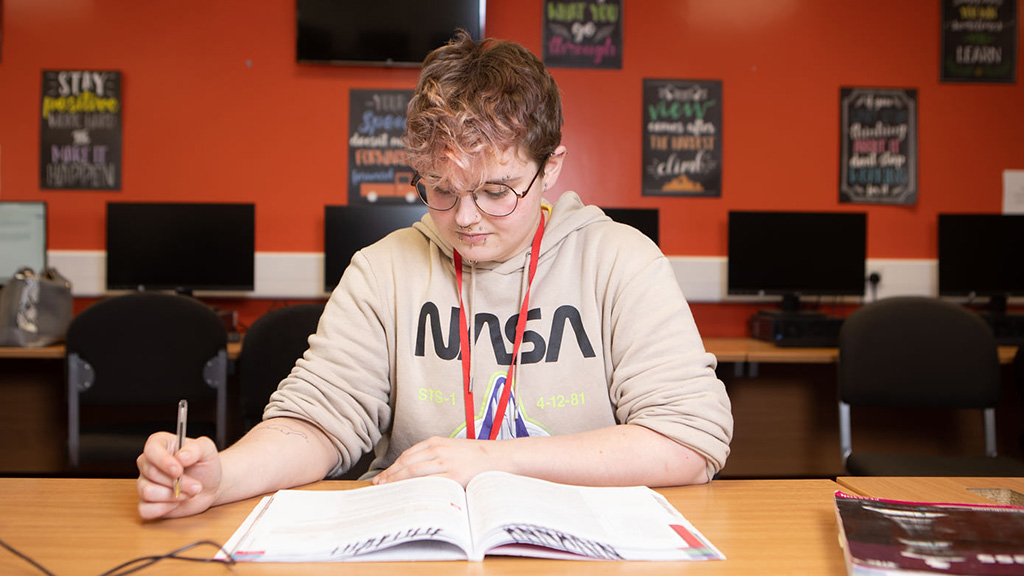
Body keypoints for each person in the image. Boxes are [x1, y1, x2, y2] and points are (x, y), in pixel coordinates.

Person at [136, 30, 733, 520]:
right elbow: (318, 419)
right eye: (440, 190)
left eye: (496, 191)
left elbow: (689, 440)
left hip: (584, 545)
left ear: (551, 167)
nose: (465, 219)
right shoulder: (383, 269)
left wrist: (492, 460)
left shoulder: (621, 261)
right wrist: (220, 476)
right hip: (416, 542)